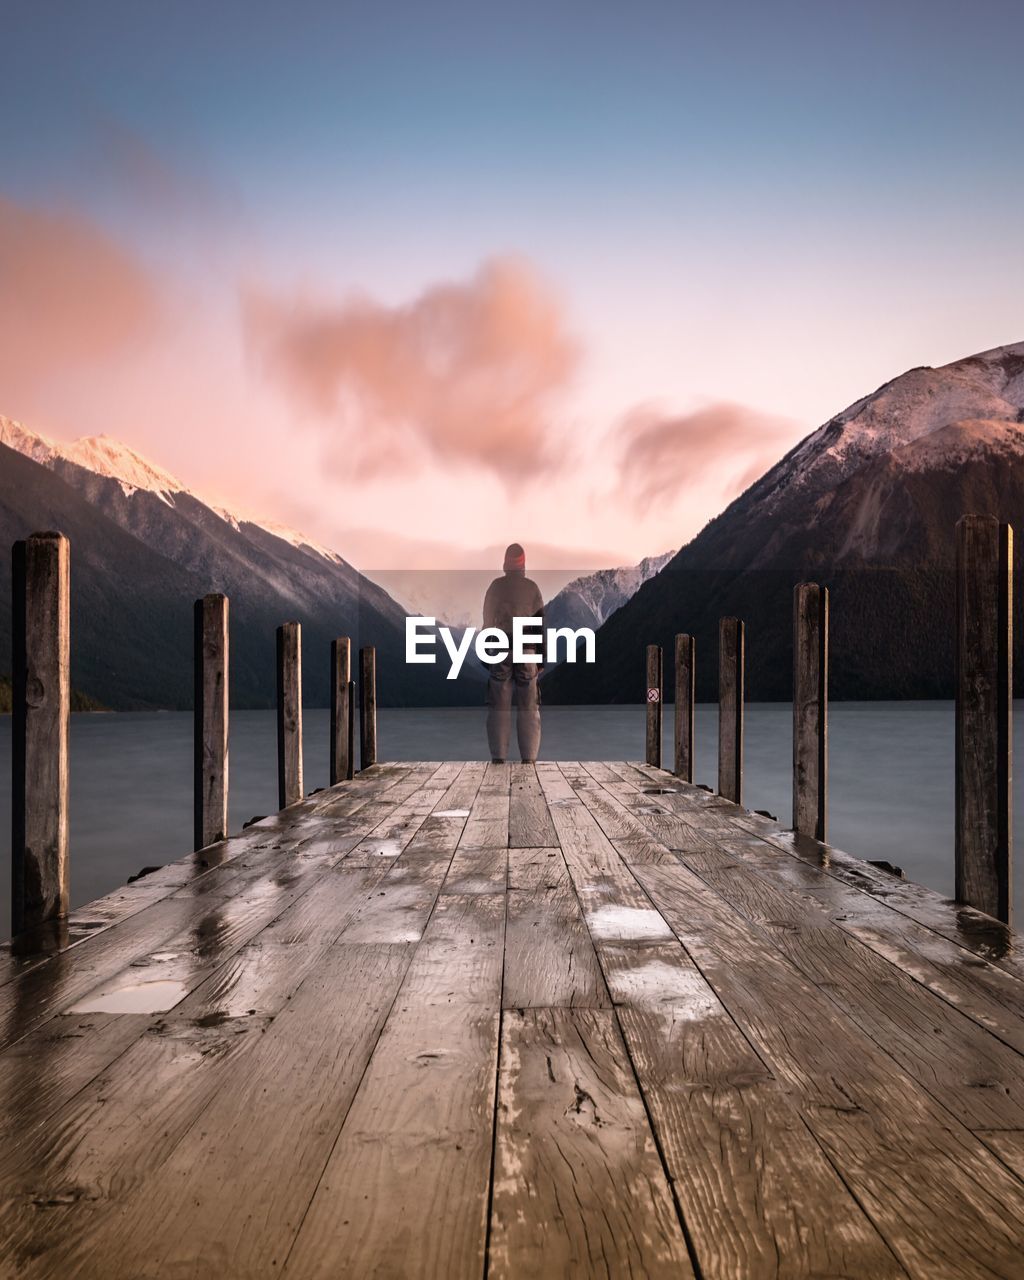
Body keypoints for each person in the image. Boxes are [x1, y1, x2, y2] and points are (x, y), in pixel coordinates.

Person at [483, 543, 543, 764]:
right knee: (529, 706)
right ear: (524, 565)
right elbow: (539, 627)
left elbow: (488, 622)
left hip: (501, 649)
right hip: (527, 650)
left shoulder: (495, 587)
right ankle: (529, 760)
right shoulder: (532, 588)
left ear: (505, 565)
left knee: (499, 705)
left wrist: (485, 654)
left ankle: (499, 758)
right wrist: (541, 659)